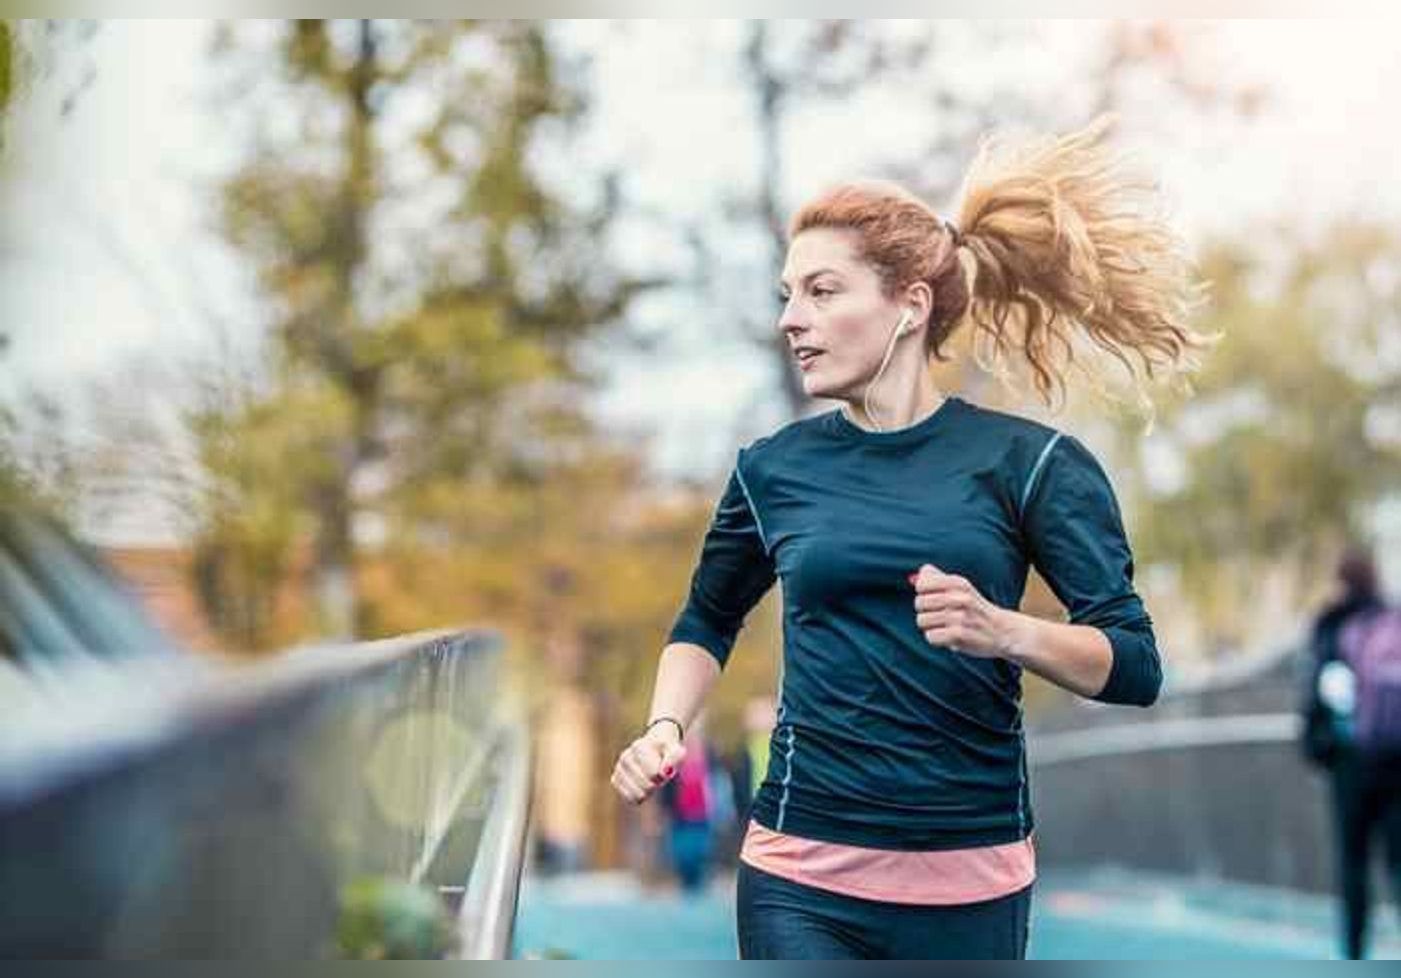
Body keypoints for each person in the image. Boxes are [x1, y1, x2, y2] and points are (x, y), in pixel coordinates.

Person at [609, 114, 1211, 959]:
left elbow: (1135, 666)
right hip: (797, 879)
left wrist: (1006, 632)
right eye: (787, 294)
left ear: (909, 307)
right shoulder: (771, 470)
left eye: (822, 291)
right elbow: (705, 622)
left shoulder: (1030, 465)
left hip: (970, 887)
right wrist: (666, 727)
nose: (792, 318)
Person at [1301, 545, 1401, 959]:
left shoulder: (1331, 623)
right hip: (1396, 759)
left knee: (1353, 864)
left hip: (1350, 763)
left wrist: (1317, 750)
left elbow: (1315, 696)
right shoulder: (1391, 617)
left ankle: (1354, 953)